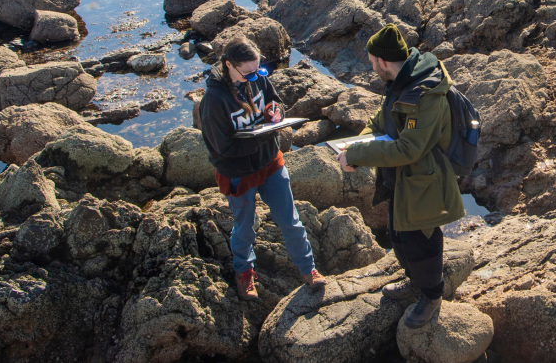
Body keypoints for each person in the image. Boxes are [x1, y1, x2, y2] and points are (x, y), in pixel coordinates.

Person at [336, 24, 464, 329]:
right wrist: (355, 146)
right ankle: (414, 282)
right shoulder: (400, 81)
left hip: (424, 181)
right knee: (398, 236)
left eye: (371, 62)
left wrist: (358, 155)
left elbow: (409, 149)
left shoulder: (426, 94)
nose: (371, 67)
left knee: (421, 242)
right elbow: (379, 122)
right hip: (401, 179)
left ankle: (432, 295)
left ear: (382, 61)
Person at [199, 37, 326, 301]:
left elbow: (275, 100)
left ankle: (308, 269)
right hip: (238, 173)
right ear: (228, 65)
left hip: (270, 163)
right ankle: (243, 272)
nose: (254, 77)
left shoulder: (257, 78)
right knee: (244, 228)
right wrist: (263, 136)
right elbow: (222, 148)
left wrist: (275, 112)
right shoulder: (213, 100)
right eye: (248, 73)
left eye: (258, 70)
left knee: (290, 220)